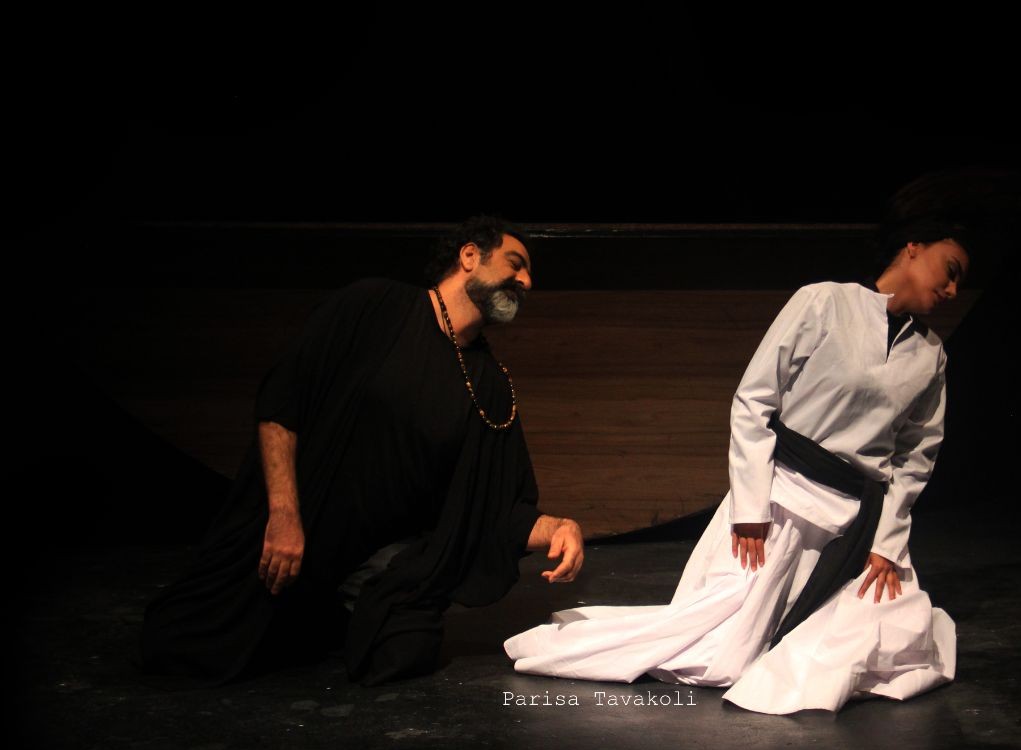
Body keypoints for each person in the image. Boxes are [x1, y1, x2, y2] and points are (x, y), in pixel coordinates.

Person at [504, 218, 973, 714]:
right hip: (783, 498)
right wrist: (751, 507)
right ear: (913, 247)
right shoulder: (825, 302)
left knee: (902, 638)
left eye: (959, 282)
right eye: (950, 270)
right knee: (720, 653)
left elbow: (916, 456)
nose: (952, 289)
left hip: (859, 522)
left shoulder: (930, 355)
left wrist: (887, 543)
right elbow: (754, 401)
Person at [140, 216, 585, 688]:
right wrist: (284, 515)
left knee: (405, 650)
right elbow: (282, 401)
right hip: (298, 530)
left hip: (378, 564)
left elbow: (499, 508)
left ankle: (338, 612)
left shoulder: (489, 384)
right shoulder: (375, 307)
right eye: (515, 264)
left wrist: (560, 527)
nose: (526, 281)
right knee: (182, 644)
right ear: (470, 256)